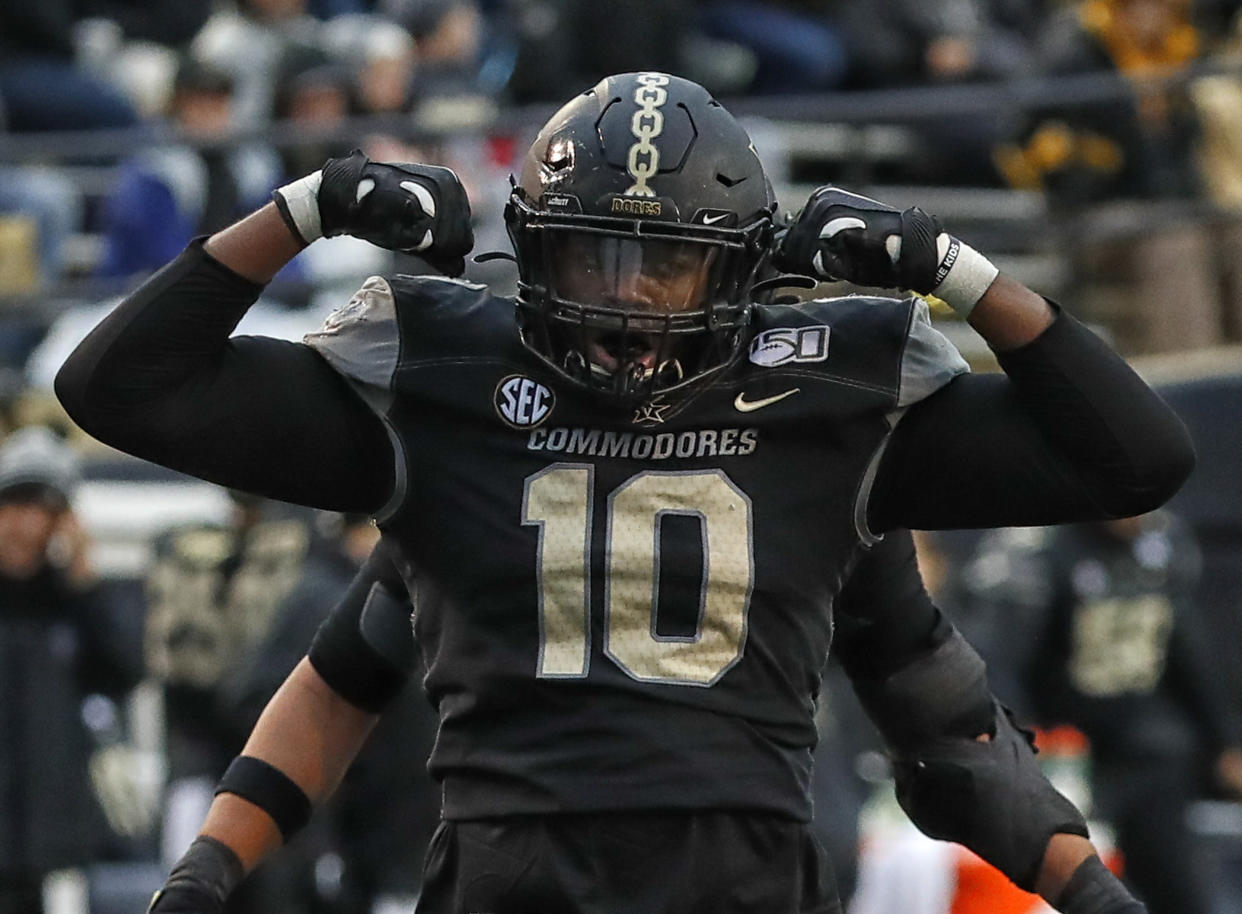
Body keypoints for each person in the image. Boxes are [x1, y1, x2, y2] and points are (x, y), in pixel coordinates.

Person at [54, 71, 1194, 913]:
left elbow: (1124, 472)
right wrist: (303, 207)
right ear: (529, 253)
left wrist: (958, 269)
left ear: (744, 269)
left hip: (733, 876)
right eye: (591, 257)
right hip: (511, 874)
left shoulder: (827, 417)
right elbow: (124, 395)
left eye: (666, 261)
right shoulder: (456, 406)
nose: (626, 297)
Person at [955, 511, 1242, 914]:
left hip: (1149, 754)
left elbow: (1185, 649)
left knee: (1183, 892)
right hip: (1065, 759)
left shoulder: (1164, 542)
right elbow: (997, 661)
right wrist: (1014, 751)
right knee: (1066, 896)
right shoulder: (1034, 549)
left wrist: (1224, 741)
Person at [0, 426, 141, 914]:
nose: (25, 525)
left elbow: (124, 672)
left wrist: (86, 580)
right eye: (14, 506)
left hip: (50, 836)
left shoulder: (72, 603)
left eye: (42, 511)